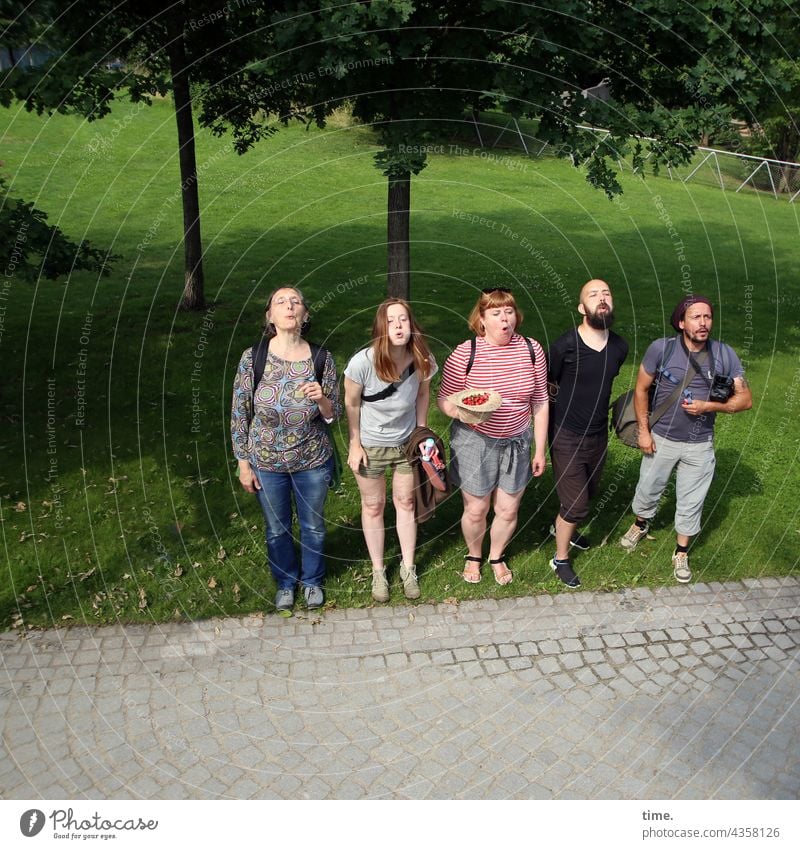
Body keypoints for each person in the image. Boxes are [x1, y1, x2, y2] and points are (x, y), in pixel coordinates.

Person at [619, 295, 752, 582]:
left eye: (707, 317)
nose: (703, 323)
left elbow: (745, 399)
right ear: (681, 322)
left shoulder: (725, 354)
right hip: (661, 437)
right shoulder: (661, 349)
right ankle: (640, 524)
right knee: (648, 489)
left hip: (700, 443)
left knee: (692, 500)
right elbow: (641, 390)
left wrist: (709, 406)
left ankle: (681, 551)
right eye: (696, 317)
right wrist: (643, 430)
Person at [231, 286, 340, 612]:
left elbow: (332, 415)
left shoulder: (322, 358)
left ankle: (312, 581)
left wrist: (321, 398)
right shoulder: (254, 358)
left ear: (305, 315)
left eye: (296, 302)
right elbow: (240, 412)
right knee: (277, 528)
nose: (289, 306)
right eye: (281, 301)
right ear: (270, 316)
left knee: (313, 526)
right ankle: (285, 583)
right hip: (265, 460)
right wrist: (243, 463)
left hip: (312, 460)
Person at [437, 287, 548, 585]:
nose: (505, 319)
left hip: (517, 440)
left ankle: (496, 555)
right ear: (482, 319)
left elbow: (540, 399)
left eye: (509, 312)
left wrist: (540, 449)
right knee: (476, 509)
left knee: (508, 508)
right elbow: (444, 399)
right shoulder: (466, 353)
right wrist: (464, 413)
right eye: (496, 313)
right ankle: (474, 555)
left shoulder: (531, 349)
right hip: (475, 440)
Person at [344, 298, 437, 602]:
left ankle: (408, 568)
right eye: (391, 321)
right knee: (373, 506)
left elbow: (423, 393)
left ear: (412, 325)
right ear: (381, 328)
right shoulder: (362, 363)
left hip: (406, 443)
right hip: (371, 444)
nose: (399, 326)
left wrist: (422, 432)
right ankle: (378, 571)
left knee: (406, 502)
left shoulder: (422, 357)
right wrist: (355, 443)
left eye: (404, 320)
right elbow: (352, 403)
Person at [548, 279, 628, 588]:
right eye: (593, 295)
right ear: (582, 308)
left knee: (588, 495)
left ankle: (560, 526)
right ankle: (560, 559)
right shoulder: (564, 346)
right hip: (566, 434)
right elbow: (550, 385)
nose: (602, 298)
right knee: (578, 506)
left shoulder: (620, 347)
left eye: (606, 293)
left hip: (598, 435)